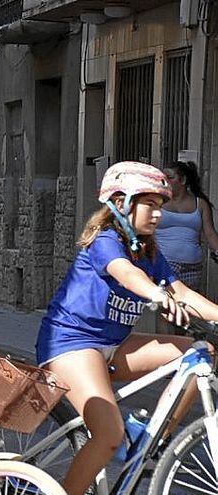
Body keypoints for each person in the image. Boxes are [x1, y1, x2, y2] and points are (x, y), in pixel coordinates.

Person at [36, 161, 218, 495]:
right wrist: (156, 294)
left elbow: (184, 294)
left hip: (114, 345)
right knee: (108, 434)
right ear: (122, 203)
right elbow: (125, 274)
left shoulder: (147, 251)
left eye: (161, 206)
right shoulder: (105, 241)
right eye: (150, 205)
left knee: (199, 354)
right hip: (71, 343)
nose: (159, 214)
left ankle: (153, 443)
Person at [155, 160, 218, 292]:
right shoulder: (157, 201)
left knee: (188, 306)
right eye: (163, 178)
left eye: (170, 178)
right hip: (164, 263)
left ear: (183, 180)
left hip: (192, 267)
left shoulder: (200, 203)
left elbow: (210, 233)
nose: (165, 181)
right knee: (167, 304)